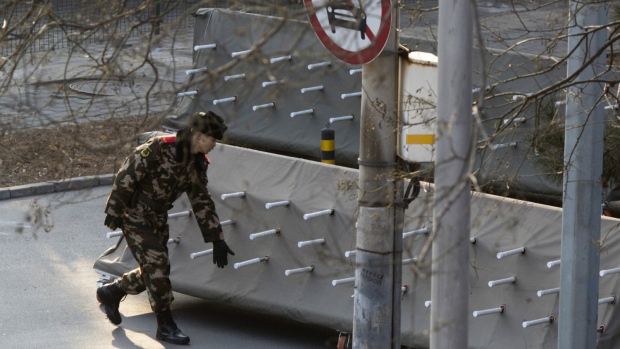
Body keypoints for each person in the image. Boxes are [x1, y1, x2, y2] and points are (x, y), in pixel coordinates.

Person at [97, 111, 235, 345]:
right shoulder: (159, 148)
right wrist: (114, 210)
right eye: (213, 140)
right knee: (157, 265)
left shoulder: (198, 164)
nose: (214, 145)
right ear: (200, 135)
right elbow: (126, 176)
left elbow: (201, 200)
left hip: (158, 216)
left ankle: (112, 292)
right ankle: (165, 325)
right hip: (134, 213)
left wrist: (216, 238)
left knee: (156, 269)